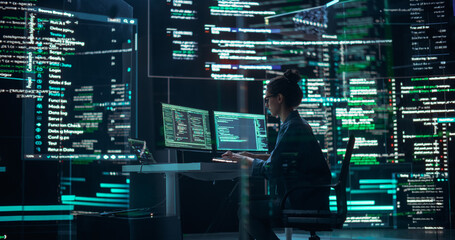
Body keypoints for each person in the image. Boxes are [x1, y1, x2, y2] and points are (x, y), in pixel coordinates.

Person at [222, 69, 331, 240]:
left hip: (300, 201)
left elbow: (272, 169)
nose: (266, 104)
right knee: (249, 208)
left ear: (279, 98)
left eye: (267, 99)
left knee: (244, 211)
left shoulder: (293, 128)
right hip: (306, 197)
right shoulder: (295, 124)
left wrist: (244, 160)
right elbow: (280, 158)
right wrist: (251, 156)